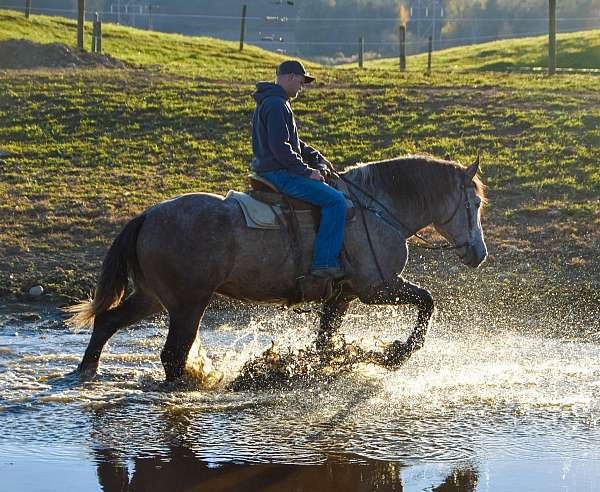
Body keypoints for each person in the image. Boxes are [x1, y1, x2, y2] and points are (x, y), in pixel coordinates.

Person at [251, 60, 348, 280]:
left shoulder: (271, 101)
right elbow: (281, 148)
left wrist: (316, 156)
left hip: (270, 170)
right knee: (336, 202)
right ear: (291, 77)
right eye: (302, 81)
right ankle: (323, 263)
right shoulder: (276, 104)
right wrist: (307, 172)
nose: (302, 87)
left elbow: (293, 142)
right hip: (279, 173)